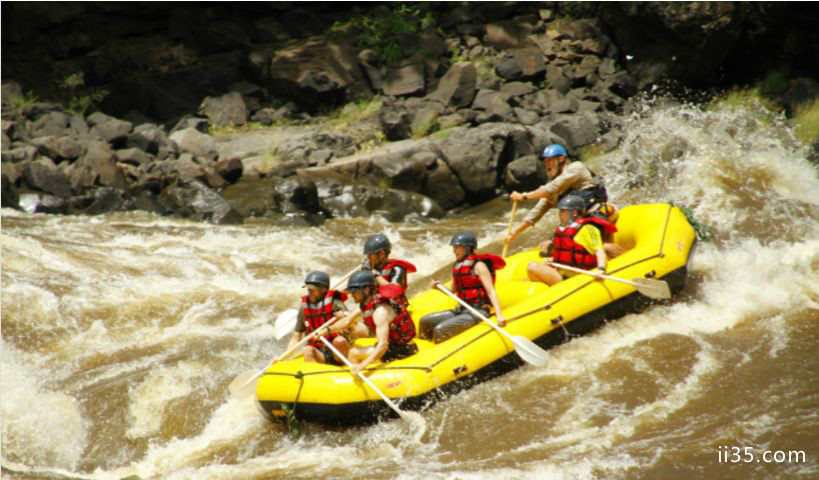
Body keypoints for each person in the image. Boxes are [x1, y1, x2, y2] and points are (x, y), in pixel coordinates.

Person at [505, 144, 623, 258]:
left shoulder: (575, 168)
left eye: (550, 161)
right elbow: (537, 211)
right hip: (578, 221)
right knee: (548, 247)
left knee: (587, 242)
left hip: (596, 213)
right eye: (545, 162)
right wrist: (514, 233)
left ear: (561, 159)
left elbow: (551, 188)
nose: (547, 165)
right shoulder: (553, 187)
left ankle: (622, 257)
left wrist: (524, 196)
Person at [419, 232, 507, 344]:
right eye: (453, 247)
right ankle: (424, 349)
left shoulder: (479, 266)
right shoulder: (458, 266)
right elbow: (452, 291)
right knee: (425, 321)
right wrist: (438, 287)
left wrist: (499, 315)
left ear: (467, 247)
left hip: (478, 311)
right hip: (461, 309)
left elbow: (491, 291)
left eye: (456, 247)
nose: (453, 250)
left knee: (441, 329)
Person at [329, 270, 418, 374]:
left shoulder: (380, 311)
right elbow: (347, 321)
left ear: (366, 290)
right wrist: (326, 330)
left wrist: (363, 365)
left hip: (401, 350)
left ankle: (356, 383)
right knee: (355, 350)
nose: (351, 295)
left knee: (353, 353)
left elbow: (383, 345)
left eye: (354, 291)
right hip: (394, 346)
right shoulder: (369, 302)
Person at [526, 195, 617, 286]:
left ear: (574, 213)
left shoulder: (587, 229)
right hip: (563, 273)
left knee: (532, 266)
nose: (559, 214)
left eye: (562, 211)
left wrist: (601, 269)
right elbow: (569, 253)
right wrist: (554, 260)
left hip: (579, 277)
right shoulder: (564, 230)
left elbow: (599, 251)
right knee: (529, 274)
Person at [286, 271, 349, 365]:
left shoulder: (334, 303)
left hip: (336, 349)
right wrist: (286, 355)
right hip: (319, 351)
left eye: (312, 289)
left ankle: (343, 367)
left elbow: (348, 319)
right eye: (308, 289)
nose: (309, 291)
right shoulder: (304, 308)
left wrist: (345, 314)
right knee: (307, 350)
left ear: (323, 290)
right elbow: (296, 337)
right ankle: (314, 377)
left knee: (340, 341)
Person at [361, 233, 417, 305]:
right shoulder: (372, 268)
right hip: (377, 306)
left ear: (382, 253)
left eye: (370, 255)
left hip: (394, 309)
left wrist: (373, 273)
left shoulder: (397, 269)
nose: (368, 258)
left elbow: (393, 292)